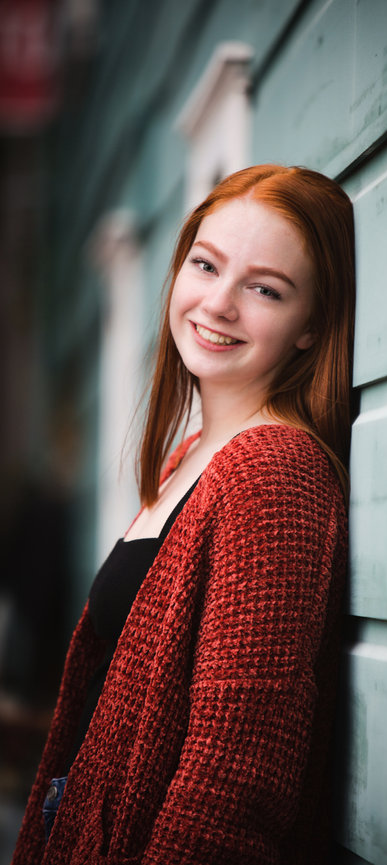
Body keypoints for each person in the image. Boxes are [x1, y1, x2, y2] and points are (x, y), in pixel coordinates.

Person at [12, 163, 356, 865]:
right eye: (206, 265)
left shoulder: (273, 473)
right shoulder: (193, 455)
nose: (219, 303)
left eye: (264, 288)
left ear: (310, 327)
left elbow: (231, 781)